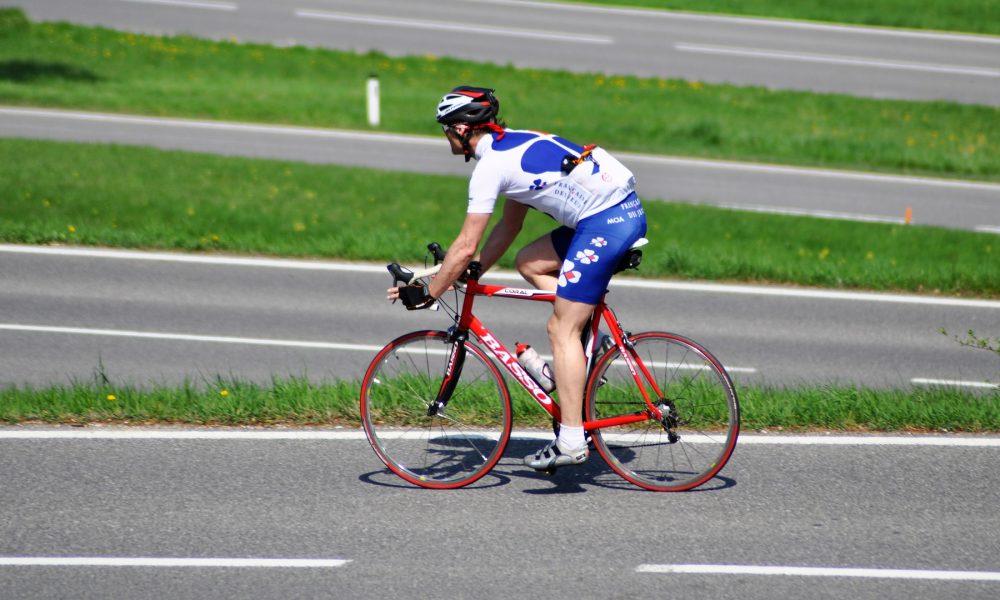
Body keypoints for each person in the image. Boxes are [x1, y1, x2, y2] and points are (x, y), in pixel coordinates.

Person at [387, 85, 647, 471]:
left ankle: (572, 440)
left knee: (561, 329)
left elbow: (465, 243)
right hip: (611, 212)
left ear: (461, 129)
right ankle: (588, 336)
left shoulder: (490, 168)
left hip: (605, 223)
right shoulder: (510, 146)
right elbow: (508, 228)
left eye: (445, 128)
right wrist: (475, 270)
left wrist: (429, 292)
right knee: (530, 262)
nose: (445, 136)